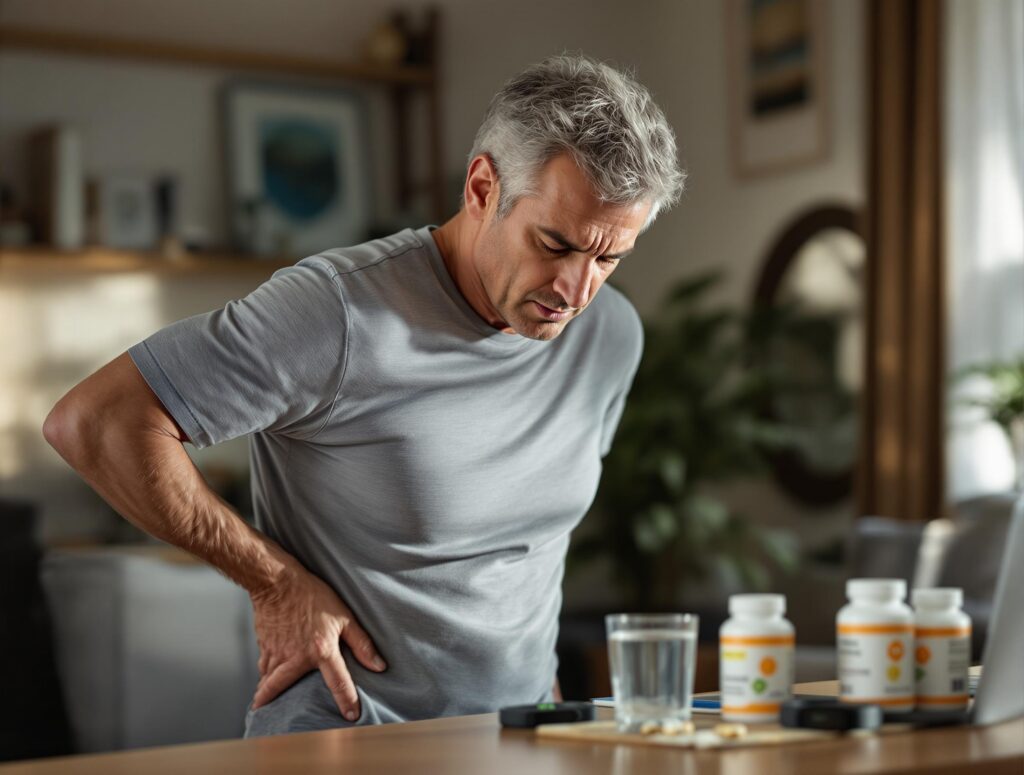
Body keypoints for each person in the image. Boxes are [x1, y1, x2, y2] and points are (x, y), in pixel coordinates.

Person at [43, 54, 685, 736]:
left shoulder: (609, 336)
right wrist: (275, 582)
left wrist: (541, 707)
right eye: (554, 244)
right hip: (351, 739)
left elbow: (526, 547)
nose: (576, 291)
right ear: (481, 187)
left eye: (609, 258)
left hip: (520, 738)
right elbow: (97, 421)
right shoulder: (337, 311)